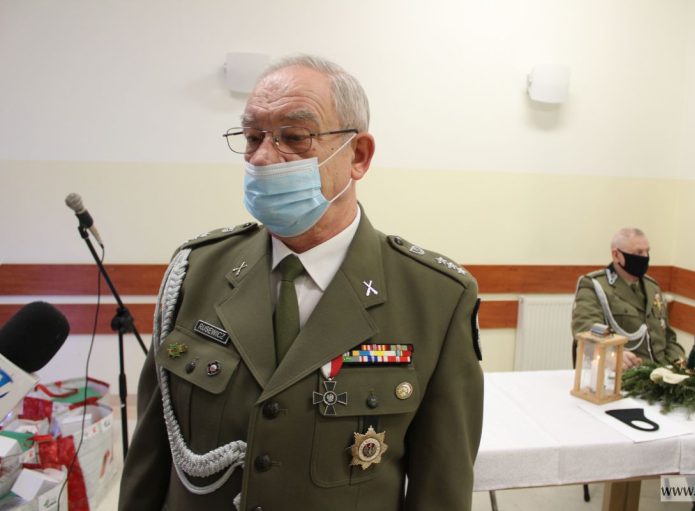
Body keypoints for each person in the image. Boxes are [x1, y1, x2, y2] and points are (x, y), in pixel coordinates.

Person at [118, 55, 484, 511]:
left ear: (358, 155)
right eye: (253, 137)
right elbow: (150, 457)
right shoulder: (196, 272)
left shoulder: (435, 298)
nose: (262, 157)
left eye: (294, 137)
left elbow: (442, 489)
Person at [571, 227, 685, 370]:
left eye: (647, 251)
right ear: (616, 255)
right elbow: (586, 329)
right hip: (624, 373)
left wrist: (676, 364)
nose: (645, 257)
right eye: (638, 252)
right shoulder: (594, 285)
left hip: (660, 373)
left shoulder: (652, 287)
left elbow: (668, 337)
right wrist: (612, 355)